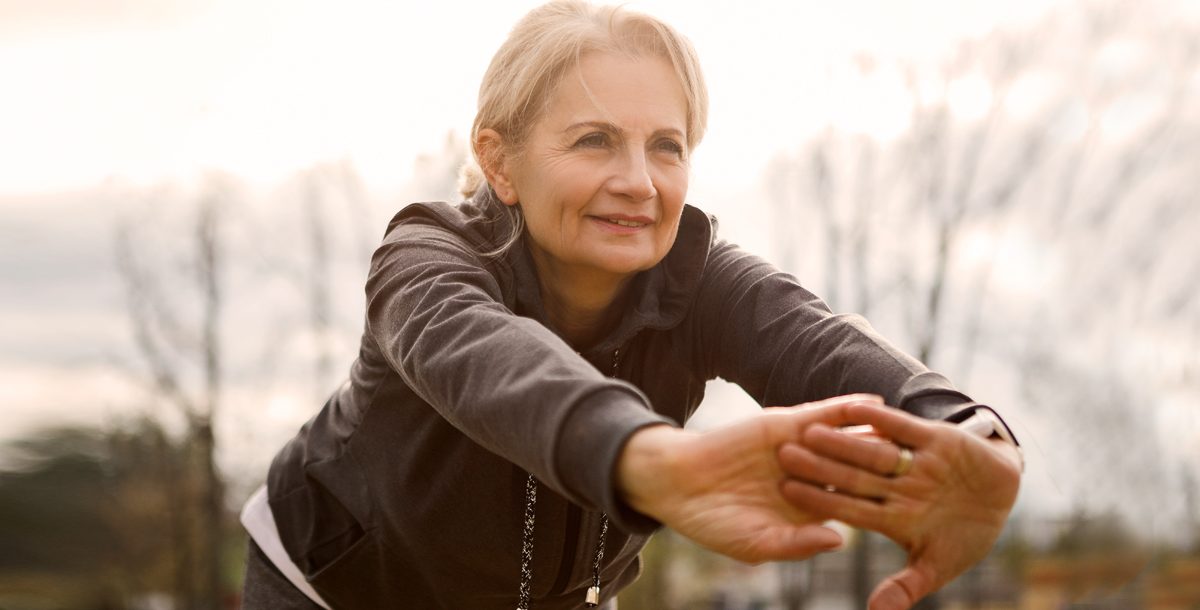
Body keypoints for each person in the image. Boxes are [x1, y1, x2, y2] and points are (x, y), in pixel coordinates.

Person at [239, 2, 1023, 609]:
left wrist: (974, 437)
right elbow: (498, 369)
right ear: (498, 161)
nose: (640, 183)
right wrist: (652, 460)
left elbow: (818, 344)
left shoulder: (702, 280)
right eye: (593, 141)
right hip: (332, 584)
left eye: (666, 146)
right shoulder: (425, 259)